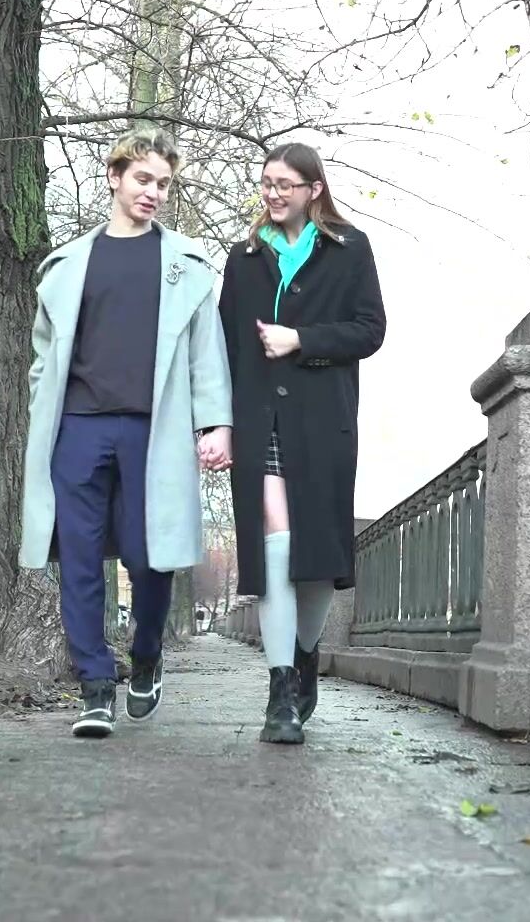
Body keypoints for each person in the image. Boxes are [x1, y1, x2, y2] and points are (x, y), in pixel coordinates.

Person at [19, 128, 233, 739]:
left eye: (163, 184)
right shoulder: (68, 266)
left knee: (149, 558)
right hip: (78, 430)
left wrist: (216, 423)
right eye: (143, 179)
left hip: (153, 431)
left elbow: (207, 355)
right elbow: (43, 357)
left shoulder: (186, 266)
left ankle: (145, 655)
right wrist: (42, 406)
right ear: (115, 177)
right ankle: (93, 686)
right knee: (79, 560)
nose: (153, 192)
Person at [219, 142, 386, 745]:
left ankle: (306, 650)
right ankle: (281, 689)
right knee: (278, 543)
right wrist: (216, 423)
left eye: (285, 184)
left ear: (314, 189)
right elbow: (224, 347)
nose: (273, 193)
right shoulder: (244, 257)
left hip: (323, 422)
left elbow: (370, 330)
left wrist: (302, 339)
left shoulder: (349, 248)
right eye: (267, 182)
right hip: (259, 419)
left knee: (317, 563)